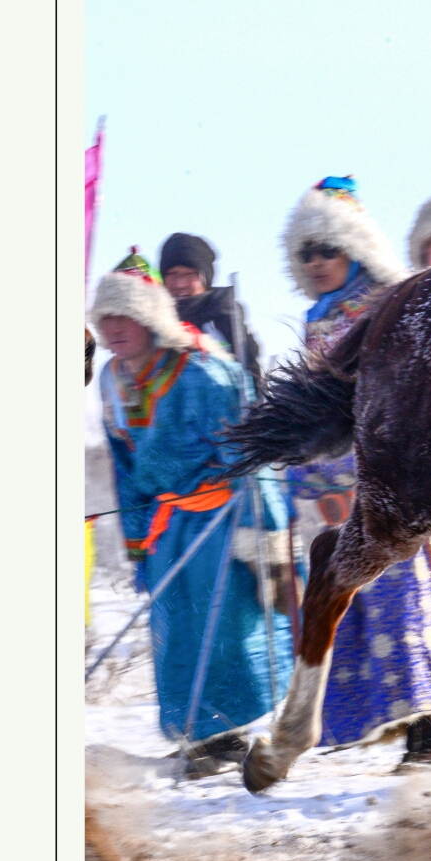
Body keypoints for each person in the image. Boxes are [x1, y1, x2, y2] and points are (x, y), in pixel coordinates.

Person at [278, 178, 431, 763]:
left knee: (417, 612)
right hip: (346, 499)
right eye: (306, 253)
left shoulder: (390, 305)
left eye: (328, 249)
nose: (317, 263)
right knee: (378, 619)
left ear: (356, 250)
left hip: (403, 485)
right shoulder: (317, 318)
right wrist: (314, 486)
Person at [92, 251, 292, 771]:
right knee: (174, 629)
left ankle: (234, 732)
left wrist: (265, 535)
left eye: (124, 316)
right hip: (166, 524)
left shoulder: (203, 370)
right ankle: (199, 737)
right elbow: (124, 466)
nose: (114, 328)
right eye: (105, 318)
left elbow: (250, 450)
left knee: (221, 625)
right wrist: (138, 544)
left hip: (219, 516)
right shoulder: (112, 382)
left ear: (149, 319)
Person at [159, 232, 264, 388]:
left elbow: (250, 373)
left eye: (190, 274)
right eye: (172, 274)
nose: (180, 284)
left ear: (205, 280)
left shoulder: (223, 315)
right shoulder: (156, 321)